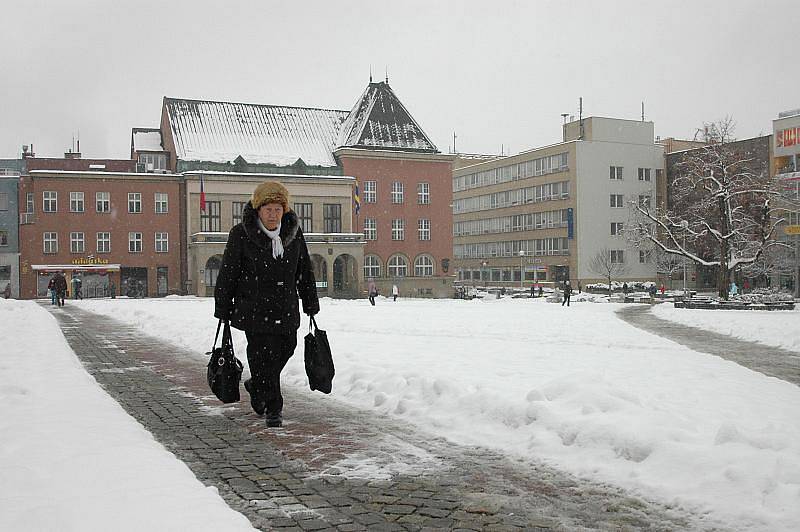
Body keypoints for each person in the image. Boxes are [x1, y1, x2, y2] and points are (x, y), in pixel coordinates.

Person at [214, 181, 319, 428]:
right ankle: (274, 408)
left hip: (286, 307)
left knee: (287, 347)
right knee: (261, 356)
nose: (273, 214)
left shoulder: (293, 233)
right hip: (254, 308)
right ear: (258, 209)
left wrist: (310, 301)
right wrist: (223, 306)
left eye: (277, 209)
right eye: (268, 209)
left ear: (284, 210)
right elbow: (228, 272)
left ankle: (257, 385)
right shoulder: (241, 234)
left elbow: (304, 270)